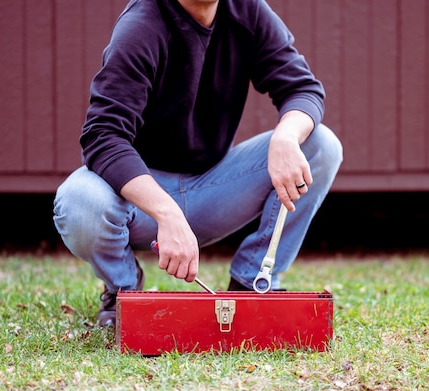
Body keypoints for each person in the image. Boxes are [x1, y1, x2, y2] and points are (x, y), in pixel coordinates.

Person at [52, 0, 343, 327]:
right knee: (79, 201)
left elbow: (302, 87)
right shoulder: (141, 26)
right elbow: (103, 136)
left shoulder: (248, 11)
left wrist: (285, 138)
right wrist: (166, 213)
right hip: (140, 201)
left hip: (216, 188)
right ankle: (123, 291)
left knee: (321, 145)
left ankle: (253, 282)